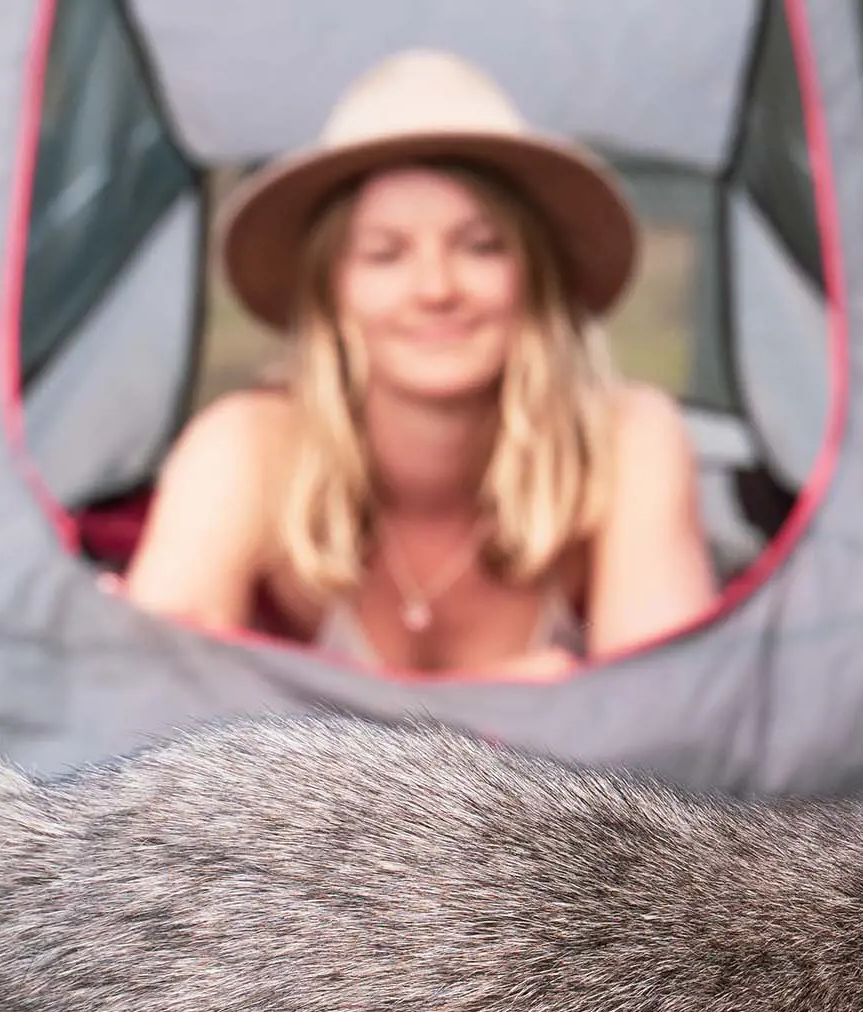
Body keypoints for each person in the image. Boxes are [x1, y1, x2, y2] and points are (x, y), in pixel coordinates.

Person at [120, 50, 718, 683]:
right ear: (331, 294)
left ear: (536, 280)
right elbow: (142, 700)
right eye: (385, 255)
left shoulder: (628, 440)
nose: (435, 288)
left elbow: (665, 721)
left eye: (480, 247)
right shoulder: (245, 446)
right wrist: (503, 697)